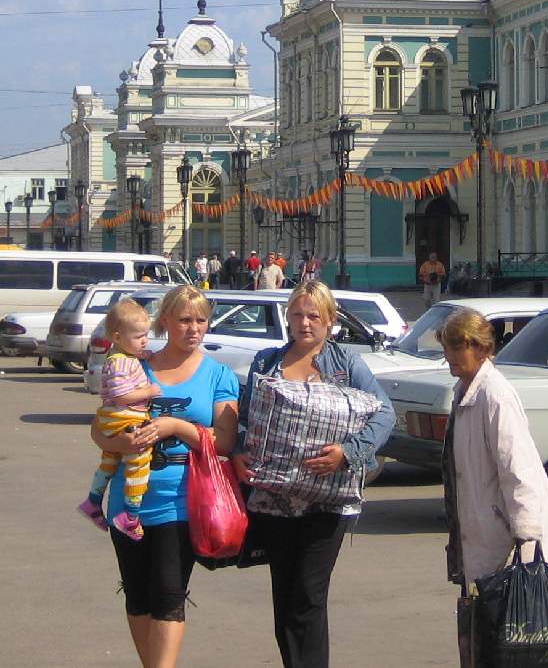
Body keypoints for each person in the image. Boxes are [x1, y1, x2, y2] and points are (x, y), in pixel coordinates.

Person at [232, 281, 395, 668]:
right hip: (274, 499)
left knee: (309, 596)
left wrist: (347, 453)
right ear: (288, 316)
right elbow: (246, 417)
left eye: (314, 316)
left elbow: (384, 413)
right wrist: (238, 452)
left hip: (328, 501)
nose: (305, 323)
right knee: (285, 599)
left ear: (330, 321)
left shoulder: (347, 365)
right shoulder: (267, 362)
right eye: (298, 314)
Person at [90, 285, 239, 668]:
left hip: (183, 496)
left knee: (170, 592)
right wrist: (120, 444)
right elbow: (99, 426)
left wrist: (175, 426)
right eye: (185, 320)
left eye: (201, 320)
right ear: (166, 322)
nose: (193, 329)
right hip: (130, 496)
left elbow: (225, 441)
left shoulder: (217, 374)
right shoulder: (137, 366)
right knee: (137, 595)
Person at [438, 308, 548, 667]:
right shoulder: (466, 392)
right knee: (485, 635)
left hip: (507, 543)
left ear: (479, 347)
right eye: (447, 347)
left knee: (511, 643)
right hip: (482, 538)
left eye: (456, 347)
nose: (449, 356)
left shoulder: (494, 395)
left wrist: (526, 536)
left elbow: (519, 470)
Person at [78, 301, 160, 538]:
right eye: (138, 337)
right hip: (123, 416)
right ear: (117, 336)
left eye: (146, 335)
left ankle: (93, 501)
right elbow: (121, 395)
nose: (144, 340)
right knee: (139, 460)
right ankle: (130, 516)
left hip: (112, 417)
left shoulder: (121, 354)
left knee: (110, 460)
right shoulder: (121, 362)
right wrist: (148, 392)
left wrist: (141, 354)